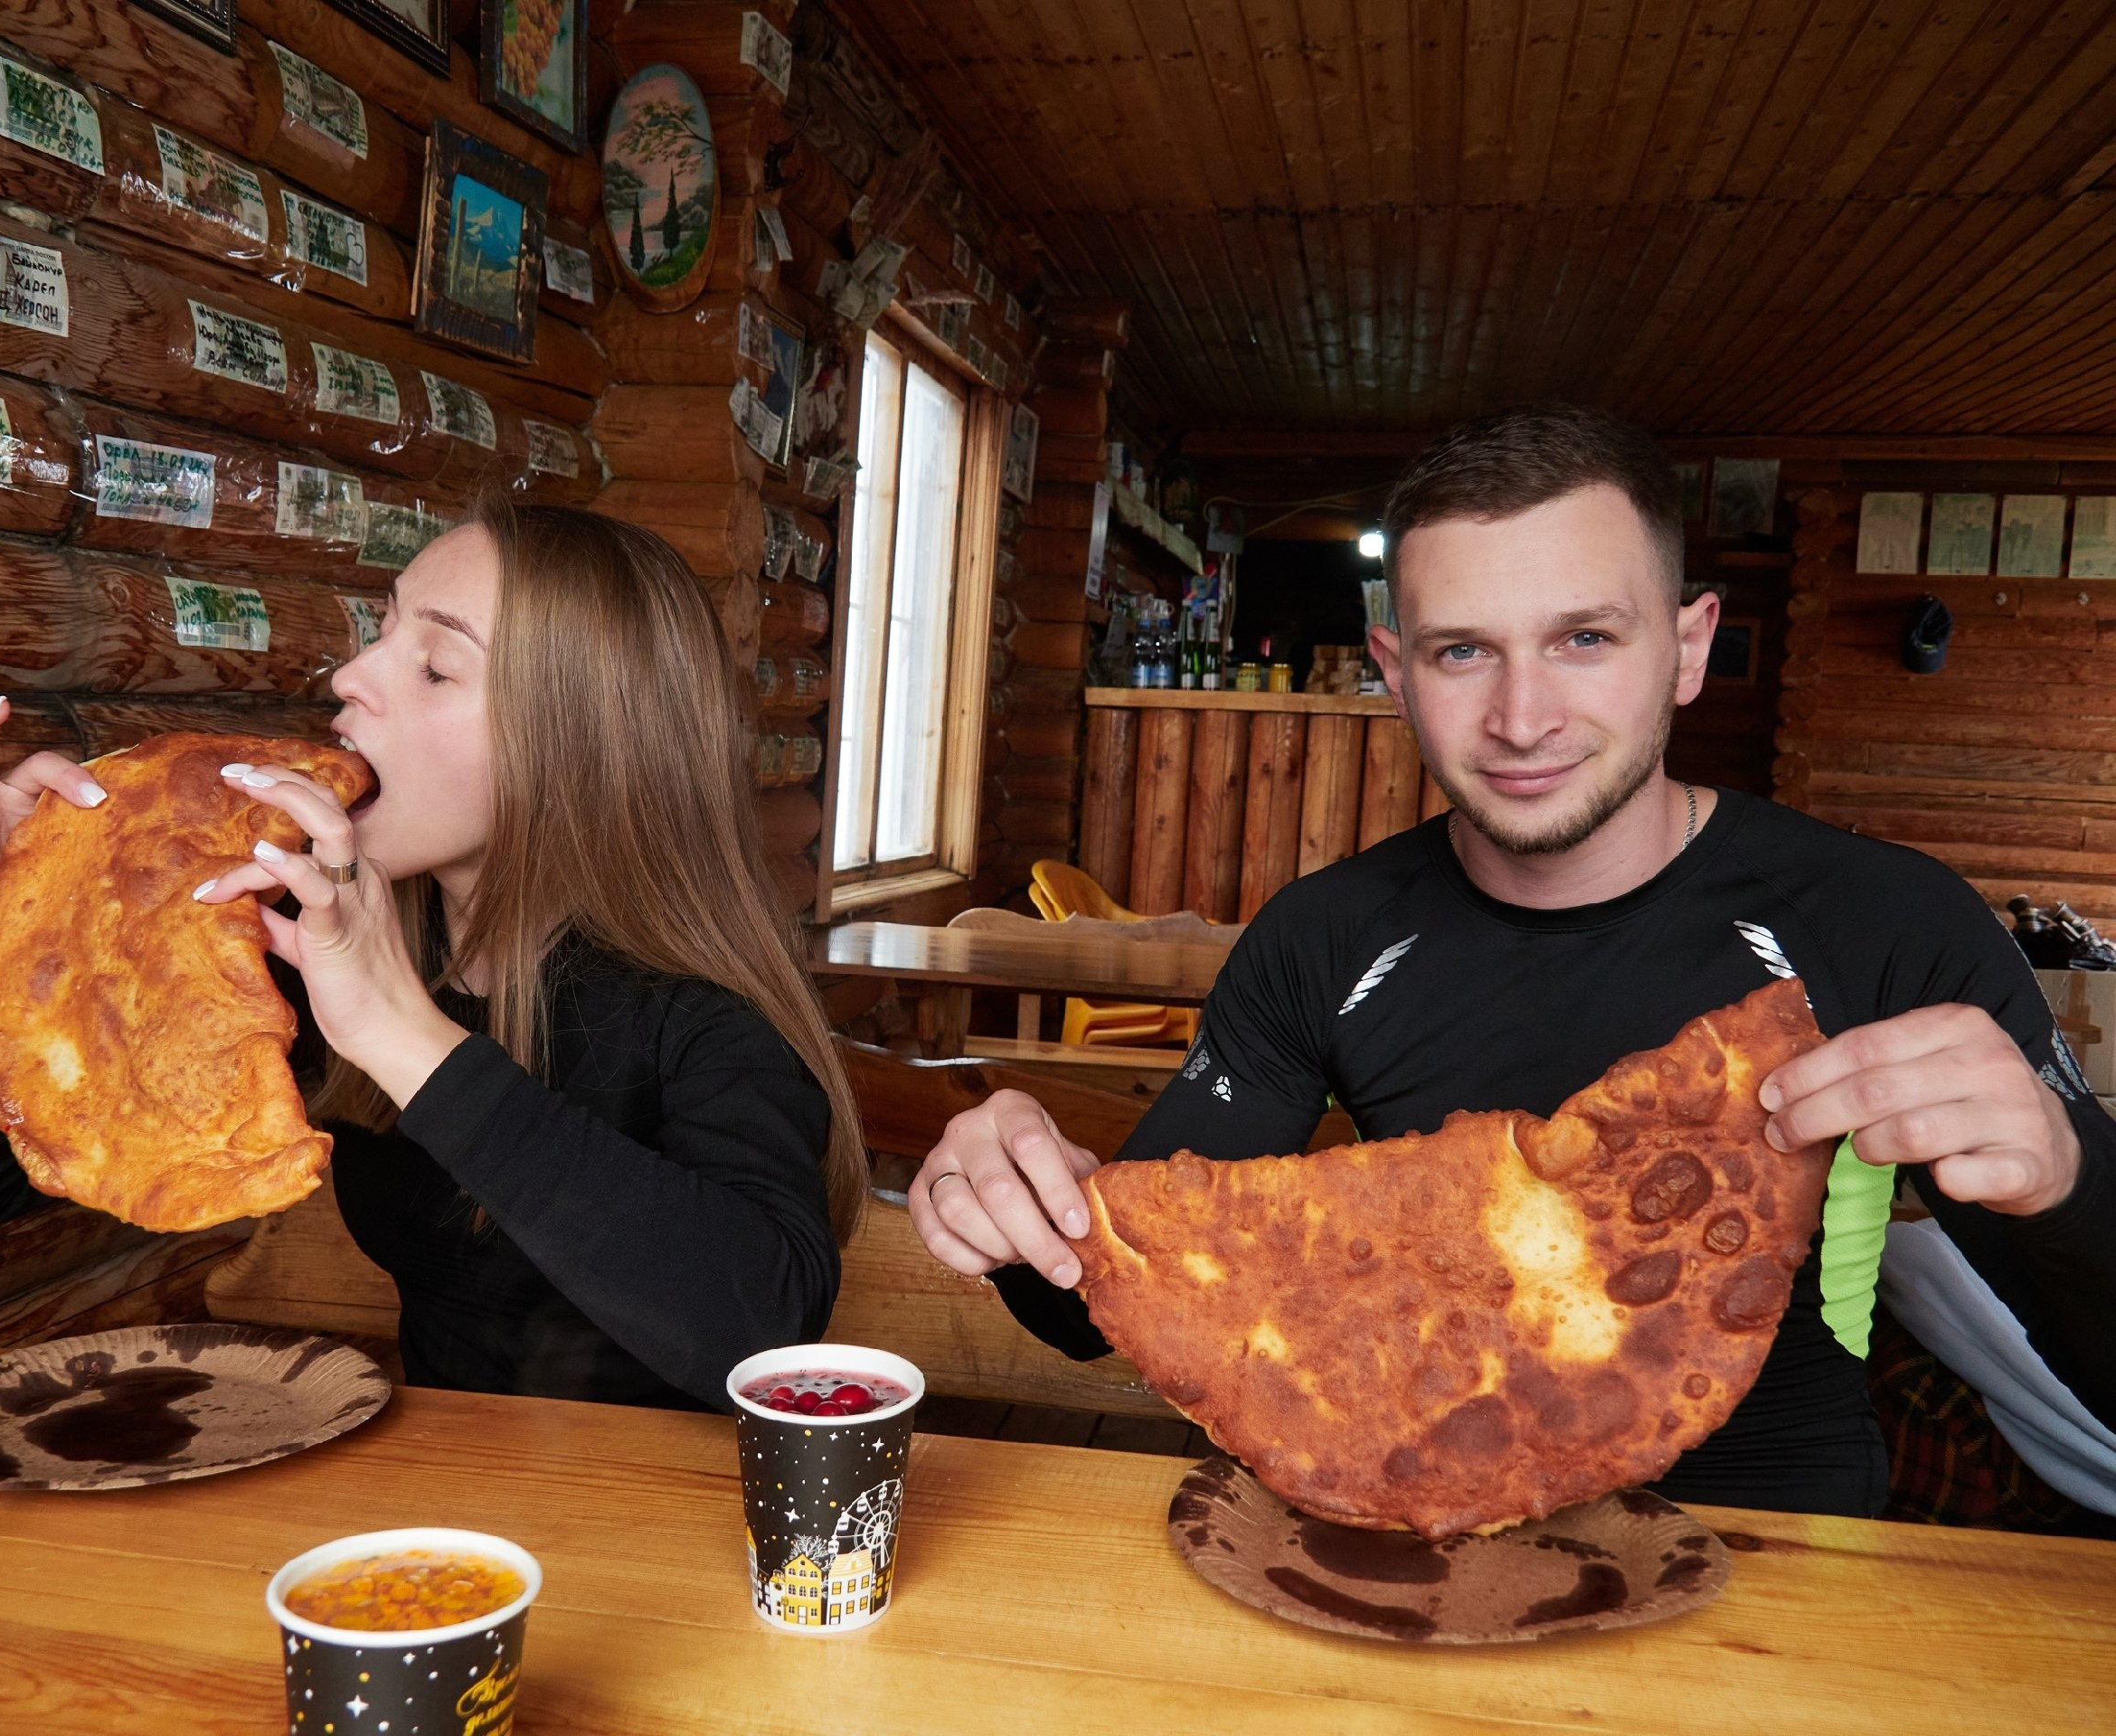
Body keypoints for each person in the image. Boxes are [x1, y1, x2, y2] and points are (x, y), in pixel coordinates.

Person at [907, 403, 2116, 1517]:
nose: (1522, 717)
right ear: (1395, 674)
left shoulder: (1887, 922)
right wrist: (1018, 1211)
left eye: (1584, 637)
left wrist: (2065, 1179)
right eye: (1462, 652)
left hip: (1779, 1549)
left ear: (1687, 649)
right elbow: (1105, 1301)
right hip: (1426, 1539)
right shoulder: (1326, 937)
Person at [0, 501, 865, 1412]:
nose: (349, 678)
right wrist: (13, 937)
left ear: (582, 746)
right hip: (427, 1512)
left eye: (435, 667)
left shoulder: (703, 1020)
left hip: (662, 1520)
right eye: (380, 631)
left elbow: (764, 1330)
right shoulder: (317, 946)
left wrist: (402, 1037)